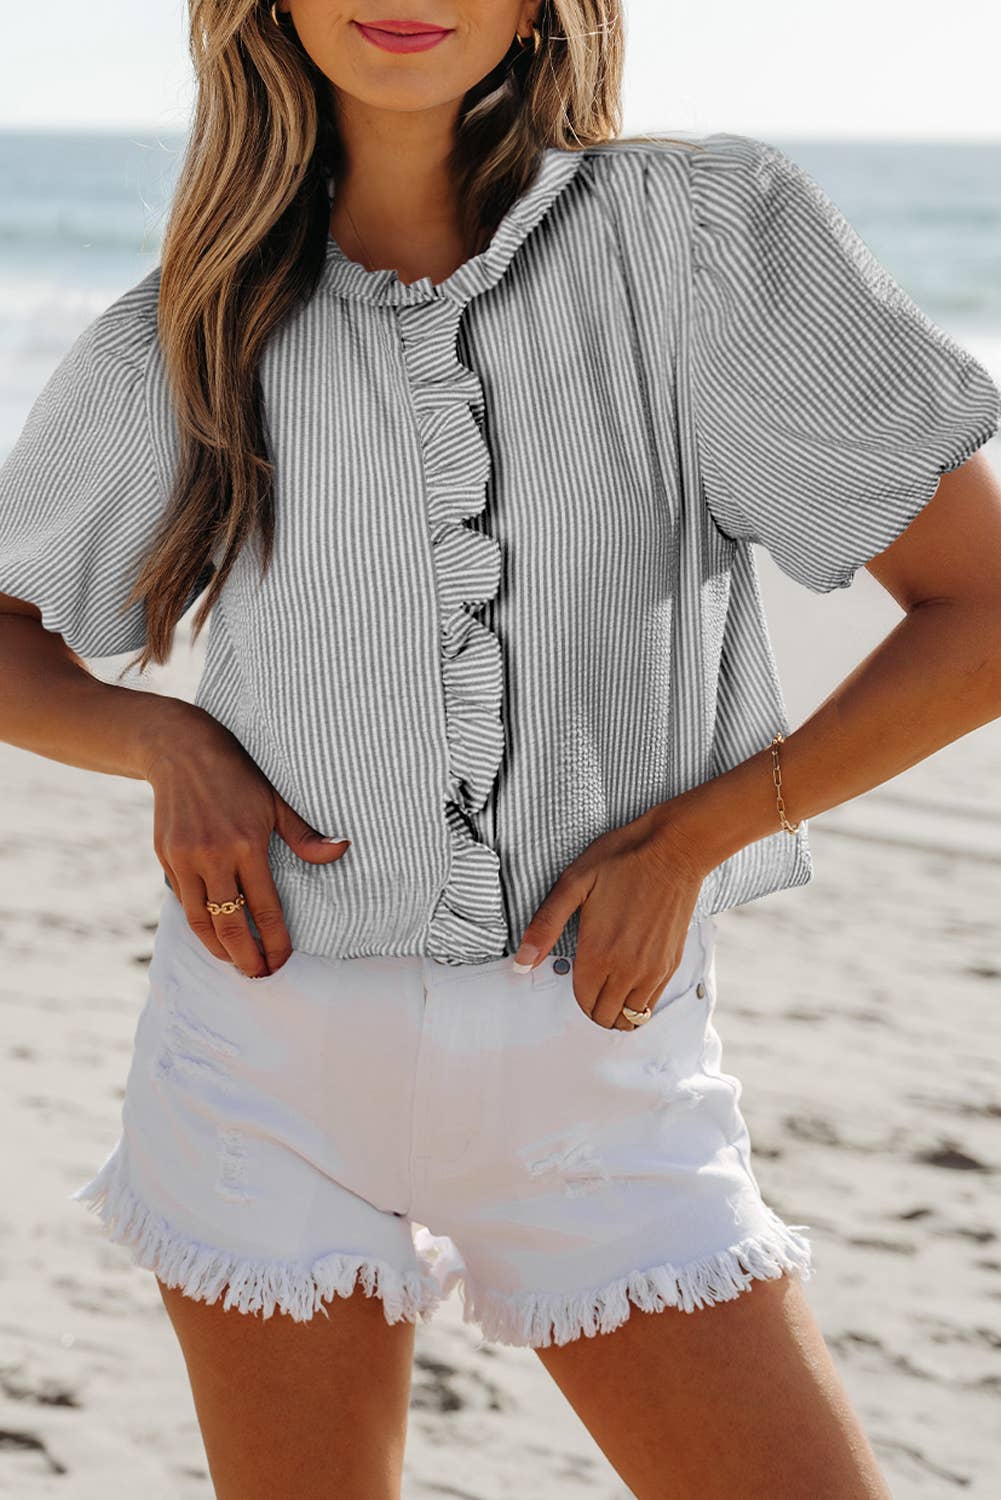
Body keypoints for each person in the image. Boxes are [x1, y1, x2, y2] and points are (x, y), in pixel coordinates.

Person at [2, 3, 1000, 1497]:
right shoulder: (193, 324)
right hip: (251, 1067)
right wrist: (162, 738)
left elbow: (978, 608)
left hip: (597, 1076)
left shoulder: (701, 242)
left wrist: (693, 839)